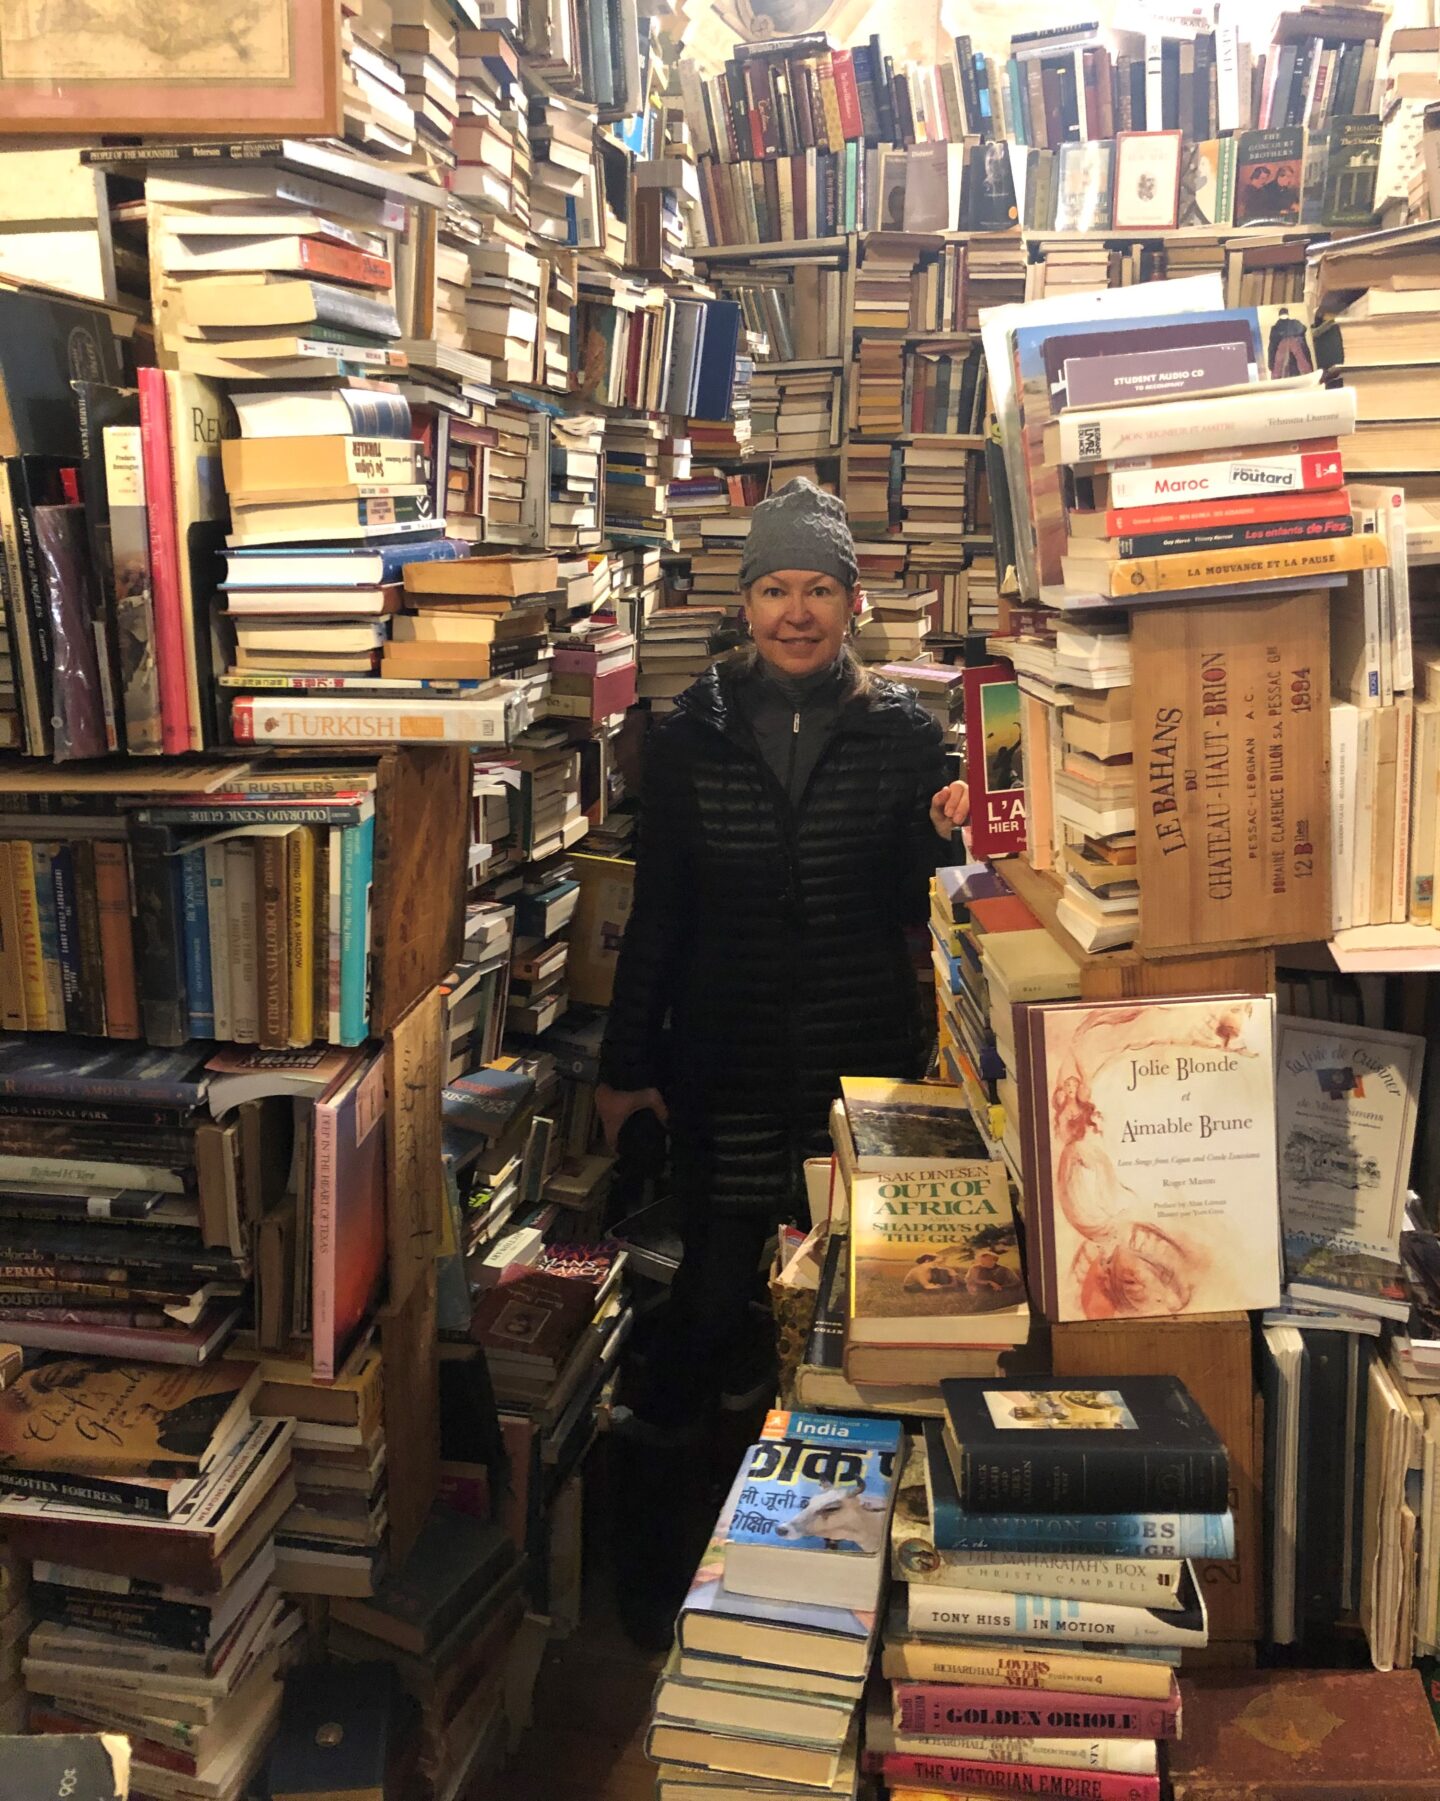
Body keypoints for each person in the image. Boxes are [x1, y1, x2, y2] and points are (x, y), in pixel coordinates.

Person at [595, 479, 969, 1638]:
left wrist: (961, 819)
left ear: (853, 602)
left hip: (859, 1069)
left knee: (843, 1321)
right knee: (708, 1305)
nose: (795, 611)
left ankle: (814, 1599)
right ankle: (667, 1583)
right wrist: (623, 1064)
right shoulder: (692, 730)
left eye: (817, 588)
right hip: (722, 1055)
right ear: (745, 603)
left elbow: (927, 885)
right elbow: (656, 910)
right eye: (773, 589)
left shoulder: (909, 734)